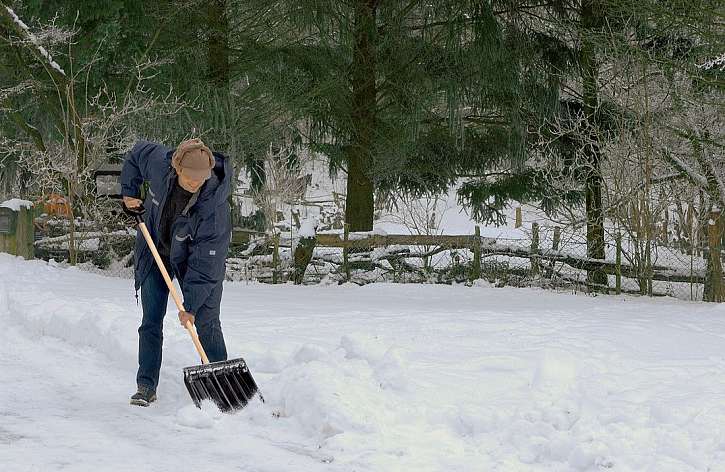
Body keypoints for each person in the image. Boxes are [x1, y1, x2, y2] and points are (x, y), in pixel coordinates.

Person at [121, 138, 233, 407]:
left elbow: (206, 266)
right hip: (154, 248)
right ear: (176, 168)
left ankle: (223, 389)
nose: (196, 184)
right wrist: (129, 191)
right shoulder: (160, 164)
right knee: (151, 320)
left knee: (205, 320)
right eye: (190, 179)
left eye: (201, 180)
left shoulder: (213, 209)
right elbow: (136, 154)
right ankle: (146, 385)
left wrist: (190, 305)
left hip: (194, 261)